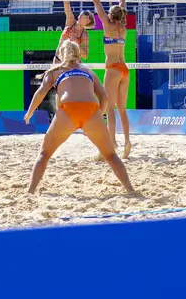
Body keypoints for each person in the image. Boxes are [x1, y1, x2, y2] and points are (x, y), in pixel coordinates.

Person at [22, 40, 135, 195]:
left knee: (44, 154)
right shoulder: (88, 71)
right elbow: (104, 98)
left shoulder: (55, 71)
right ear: (78, 54)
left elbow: (41, 92)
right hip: (91, 110)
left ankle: (31, 190)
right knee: (111, 155)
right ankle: (130, 189)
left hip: (68, 110)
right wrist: (97, 117)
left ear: (61, 55)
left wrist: (30, 112)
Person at [80, 0, 133, 158]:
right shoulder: (123, 26)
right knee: (122, 110)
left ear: (111, 16)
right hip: (125, 69)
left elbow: (96, 1)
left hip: (112, 69)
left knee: (109, 108)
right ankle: (127, 141)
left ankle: (111, 144)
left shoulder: (108, 25)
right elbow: (122, 3)